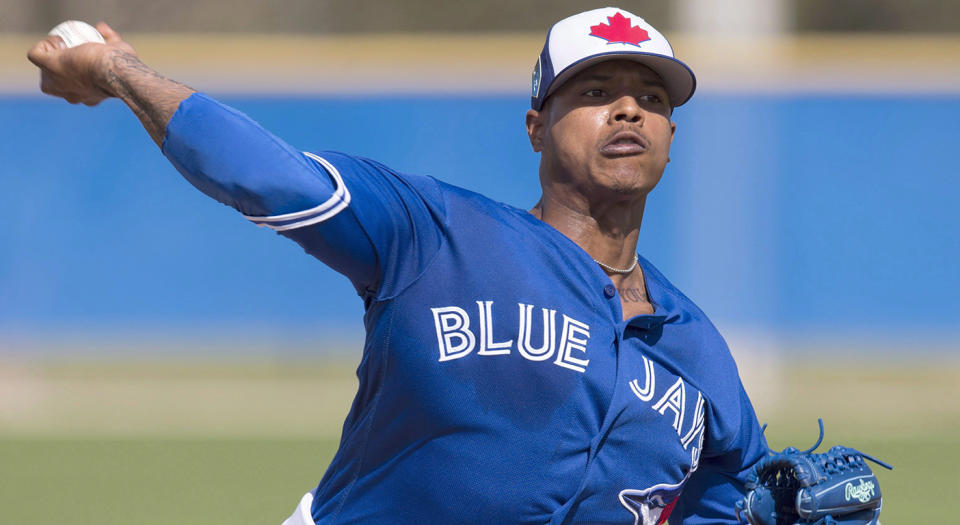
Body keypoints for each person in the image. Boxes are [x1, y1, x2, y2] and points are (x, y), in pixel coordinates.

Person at [28, 7, 768, 525]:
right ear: (537, 126)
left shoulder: (698, 350)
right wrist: (119, 71)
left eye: (651, 97)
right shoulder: (439, 234)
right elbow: (271, 178)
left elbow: (726, 498)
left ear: (673, 132)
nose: (629, 111)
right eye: (596, 93)